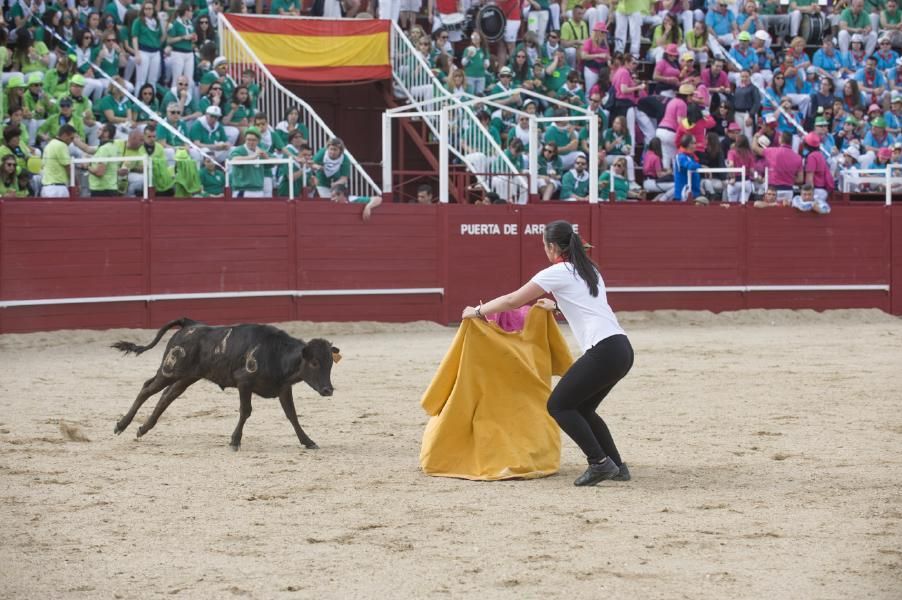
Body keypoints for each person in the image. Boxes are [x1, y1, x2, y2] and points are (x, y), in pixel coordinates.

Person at [461, 220, 633, 487]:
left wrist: (478, 312)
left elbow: (513, 300)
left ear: (552, 246)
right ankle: (617, 466)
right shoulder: (590, 270)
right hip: (621, 348)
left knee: (559, 405)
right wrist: (556, 306)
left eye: (544, 245)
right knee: (583, 408)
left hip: (603, 350)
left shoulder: (557, 272)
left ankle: (599, 463)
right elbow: (587, 305)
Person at [41, 124, 77, 197]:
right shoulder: (61, 145)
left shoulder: (49, 144)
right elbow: (68, 167)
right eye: (71, 138)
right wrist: (76, 183)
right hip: (58, 189)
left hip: (46, 188)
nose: (72, 141)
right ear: (64, 135)